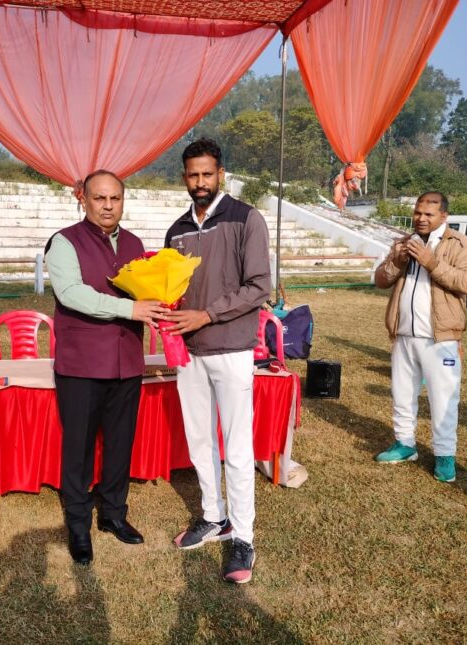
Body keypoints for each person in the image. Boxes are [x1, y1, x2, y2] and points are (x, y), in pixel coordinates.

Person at [164, 138, 271, 584]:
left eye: (207, 174)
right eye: (193, 175)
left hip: (231, 349)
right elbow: (170, 288)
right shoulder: (176, 230)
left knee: (237, 448)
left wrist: (206, 314)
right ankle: (214, 517)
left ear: (221, 174)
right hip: (188, 352)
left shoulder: (246, 218)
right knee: (199, 441)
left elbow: (259, 286)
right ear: (184, 177)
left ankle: (243, 537)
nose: (200, 182)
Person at [45, 170, 166, 565]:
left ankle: (114, 514)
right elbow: (71, 294)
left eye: (115, 198)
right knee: (78, 449)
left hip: (126, 360)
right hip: (82, 364)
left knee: (119, 444)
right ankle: (78, 524)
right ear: (83, 198)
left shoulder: (134, 243)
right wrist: (129, 309)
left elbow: (146, 292)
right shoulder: (64, 242)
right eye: (100, 198)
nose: (108, 206)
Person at [374, 191, 467, 483]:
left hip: (440, 338)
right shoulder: (404, 242)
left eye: (429, 214)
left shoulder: (459, 244)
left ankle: (445, 456)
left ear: (444, 216)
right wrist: (397, 261)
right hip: (404, 333)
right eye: (418, 213)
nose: (421, 218)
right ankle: (404, 444)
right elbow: (380, 280)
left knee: (443, 400)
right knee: (402, 394)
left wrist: (432, 263)